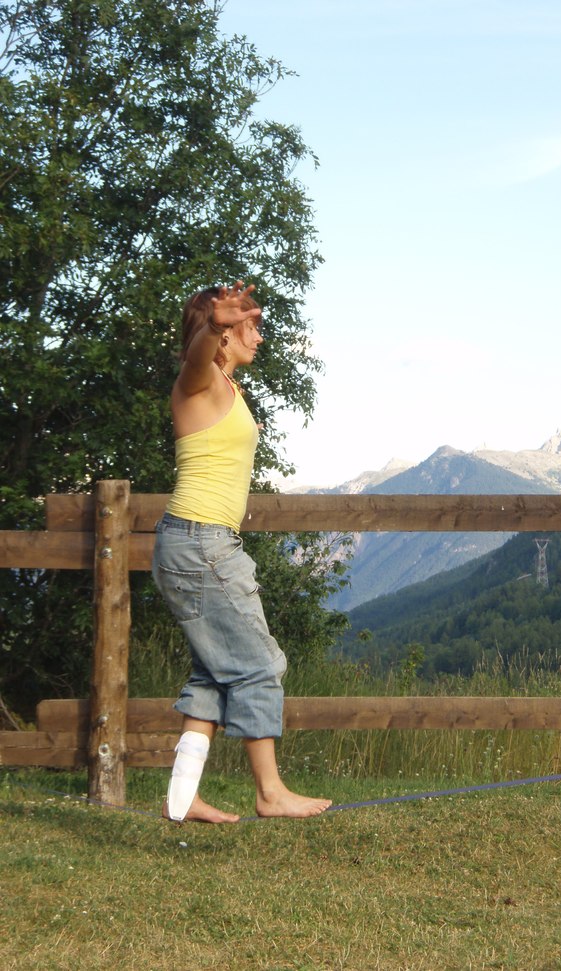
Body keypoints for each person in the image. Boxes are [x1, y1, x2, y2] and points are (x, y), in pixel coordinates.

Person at [152, 280, 332, 824]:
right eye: (247, 325)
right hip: (200, 542)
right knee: (258, 663)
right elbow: (194, 360)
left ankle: (182, 798)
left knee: (215, 670)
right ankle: (270, 792)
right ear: (223, 333)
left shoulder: (227, 386)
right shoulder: (199, 381)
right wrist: (212, 327)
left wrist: (219, 329)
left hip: (199, 542)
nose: (258, 333)